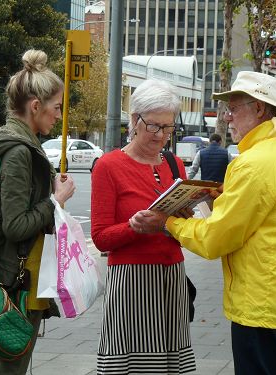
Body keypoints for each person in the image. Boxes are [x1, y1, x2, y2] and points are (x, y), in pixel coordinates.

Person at [130, 71, 276, 375]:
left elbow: (215, 239)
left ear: (260, 109)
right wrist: (223, 201)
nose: (227, 117)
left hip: (265, 309)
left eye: (234, 108)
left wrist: (169, 222)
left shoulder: (254, 164)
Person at [0, 49, 75, 375]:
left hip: (13, 276)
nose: (59, 116)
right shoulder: (18, 153)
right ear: (35, 106)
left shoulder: (14, 144)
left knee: (12, 366)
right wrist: (55, 200)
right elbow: (15, 226)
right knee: (12, 368)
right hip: (15, 282)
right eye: (56, 108)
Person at [91, 79, 196, 374]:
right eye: (154, 126)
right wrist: (134, 227)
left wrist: (187, 216)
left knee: (169, 363)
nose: (161, 135)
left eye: (168, 128)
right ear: (135, 120)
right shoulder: (109, 166)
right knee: (133, 364)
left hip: (172, 276)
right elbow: (100, 238)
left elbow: (180, 226)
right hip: (131, 281)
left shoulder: (174, 164)